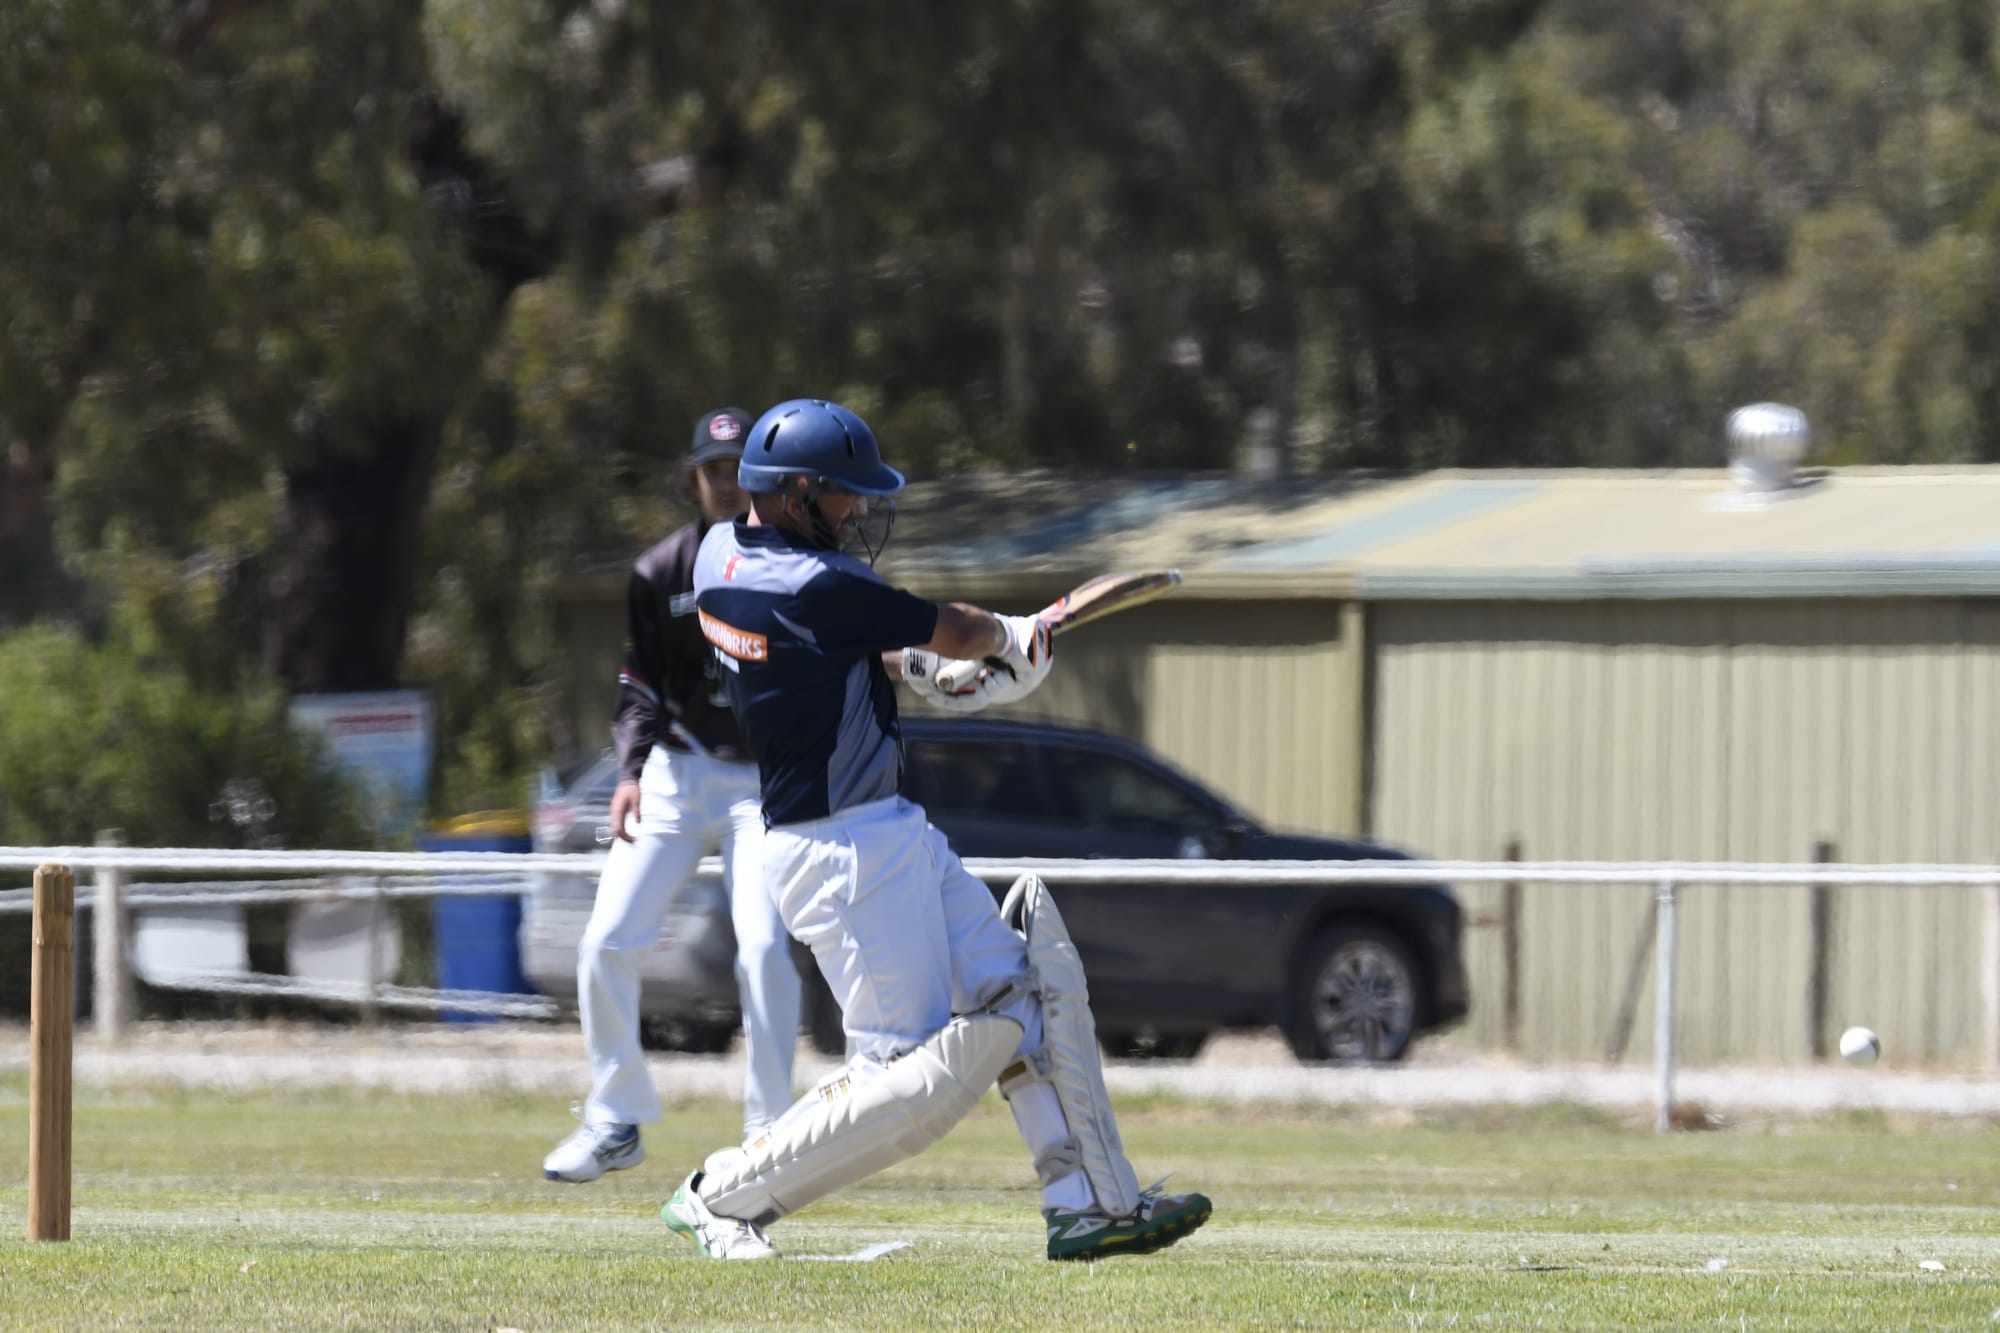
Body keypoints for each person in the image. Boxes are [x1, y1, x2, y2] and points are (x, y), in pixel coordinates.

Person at [660, 397, 1212, 1261]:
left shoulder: (722, 555)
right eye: (842, 493)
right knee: (906, 1078)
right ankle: (719, 1193)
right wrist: (1010, 639)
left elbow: (833, 642)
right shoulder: (819, 583)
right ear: (797, 491)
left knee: (1018, 992)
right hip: (843, 851)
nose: (855, 510)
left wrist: (917, 665)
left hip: (877, 831)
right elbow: (954, 624)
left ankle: (1083, 1203)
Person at [542, 407, 802, 1183]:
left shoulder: (795, 565)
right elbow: (639, 685)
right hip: (677, 775)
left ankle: (769, 1134)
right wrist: (628, 772)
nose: (725, 482)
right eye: (713, 469)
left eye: (738, 469)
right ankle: (615, 1117)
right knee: (605, 941)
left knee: (764, 948)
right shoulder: (659, 571)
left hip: (762, 783)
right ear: (693, 478)